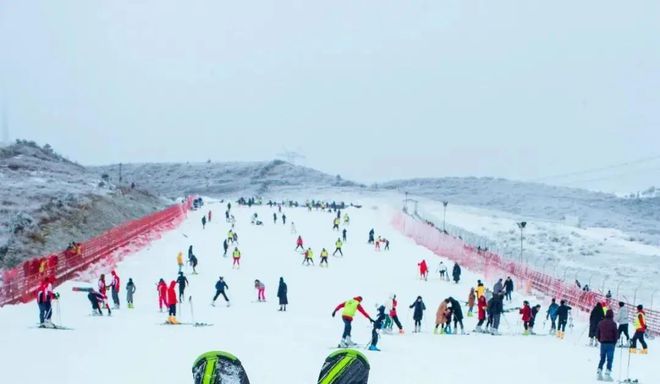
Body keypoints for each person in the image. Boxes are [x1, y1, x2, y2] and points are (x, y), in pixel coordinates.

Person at [596, 309, 618, 381]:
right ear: (612, 315)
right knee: (610, 359)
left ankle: (599, 372)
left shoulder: (600, 323)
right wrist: (614, 342)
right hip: (611, 343)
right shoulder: (613, 324)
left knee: (602, 358)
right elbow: (616, 335)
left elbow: (597, 334)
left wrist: (601, 340)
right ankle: (607, 374)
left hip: (603, 343)